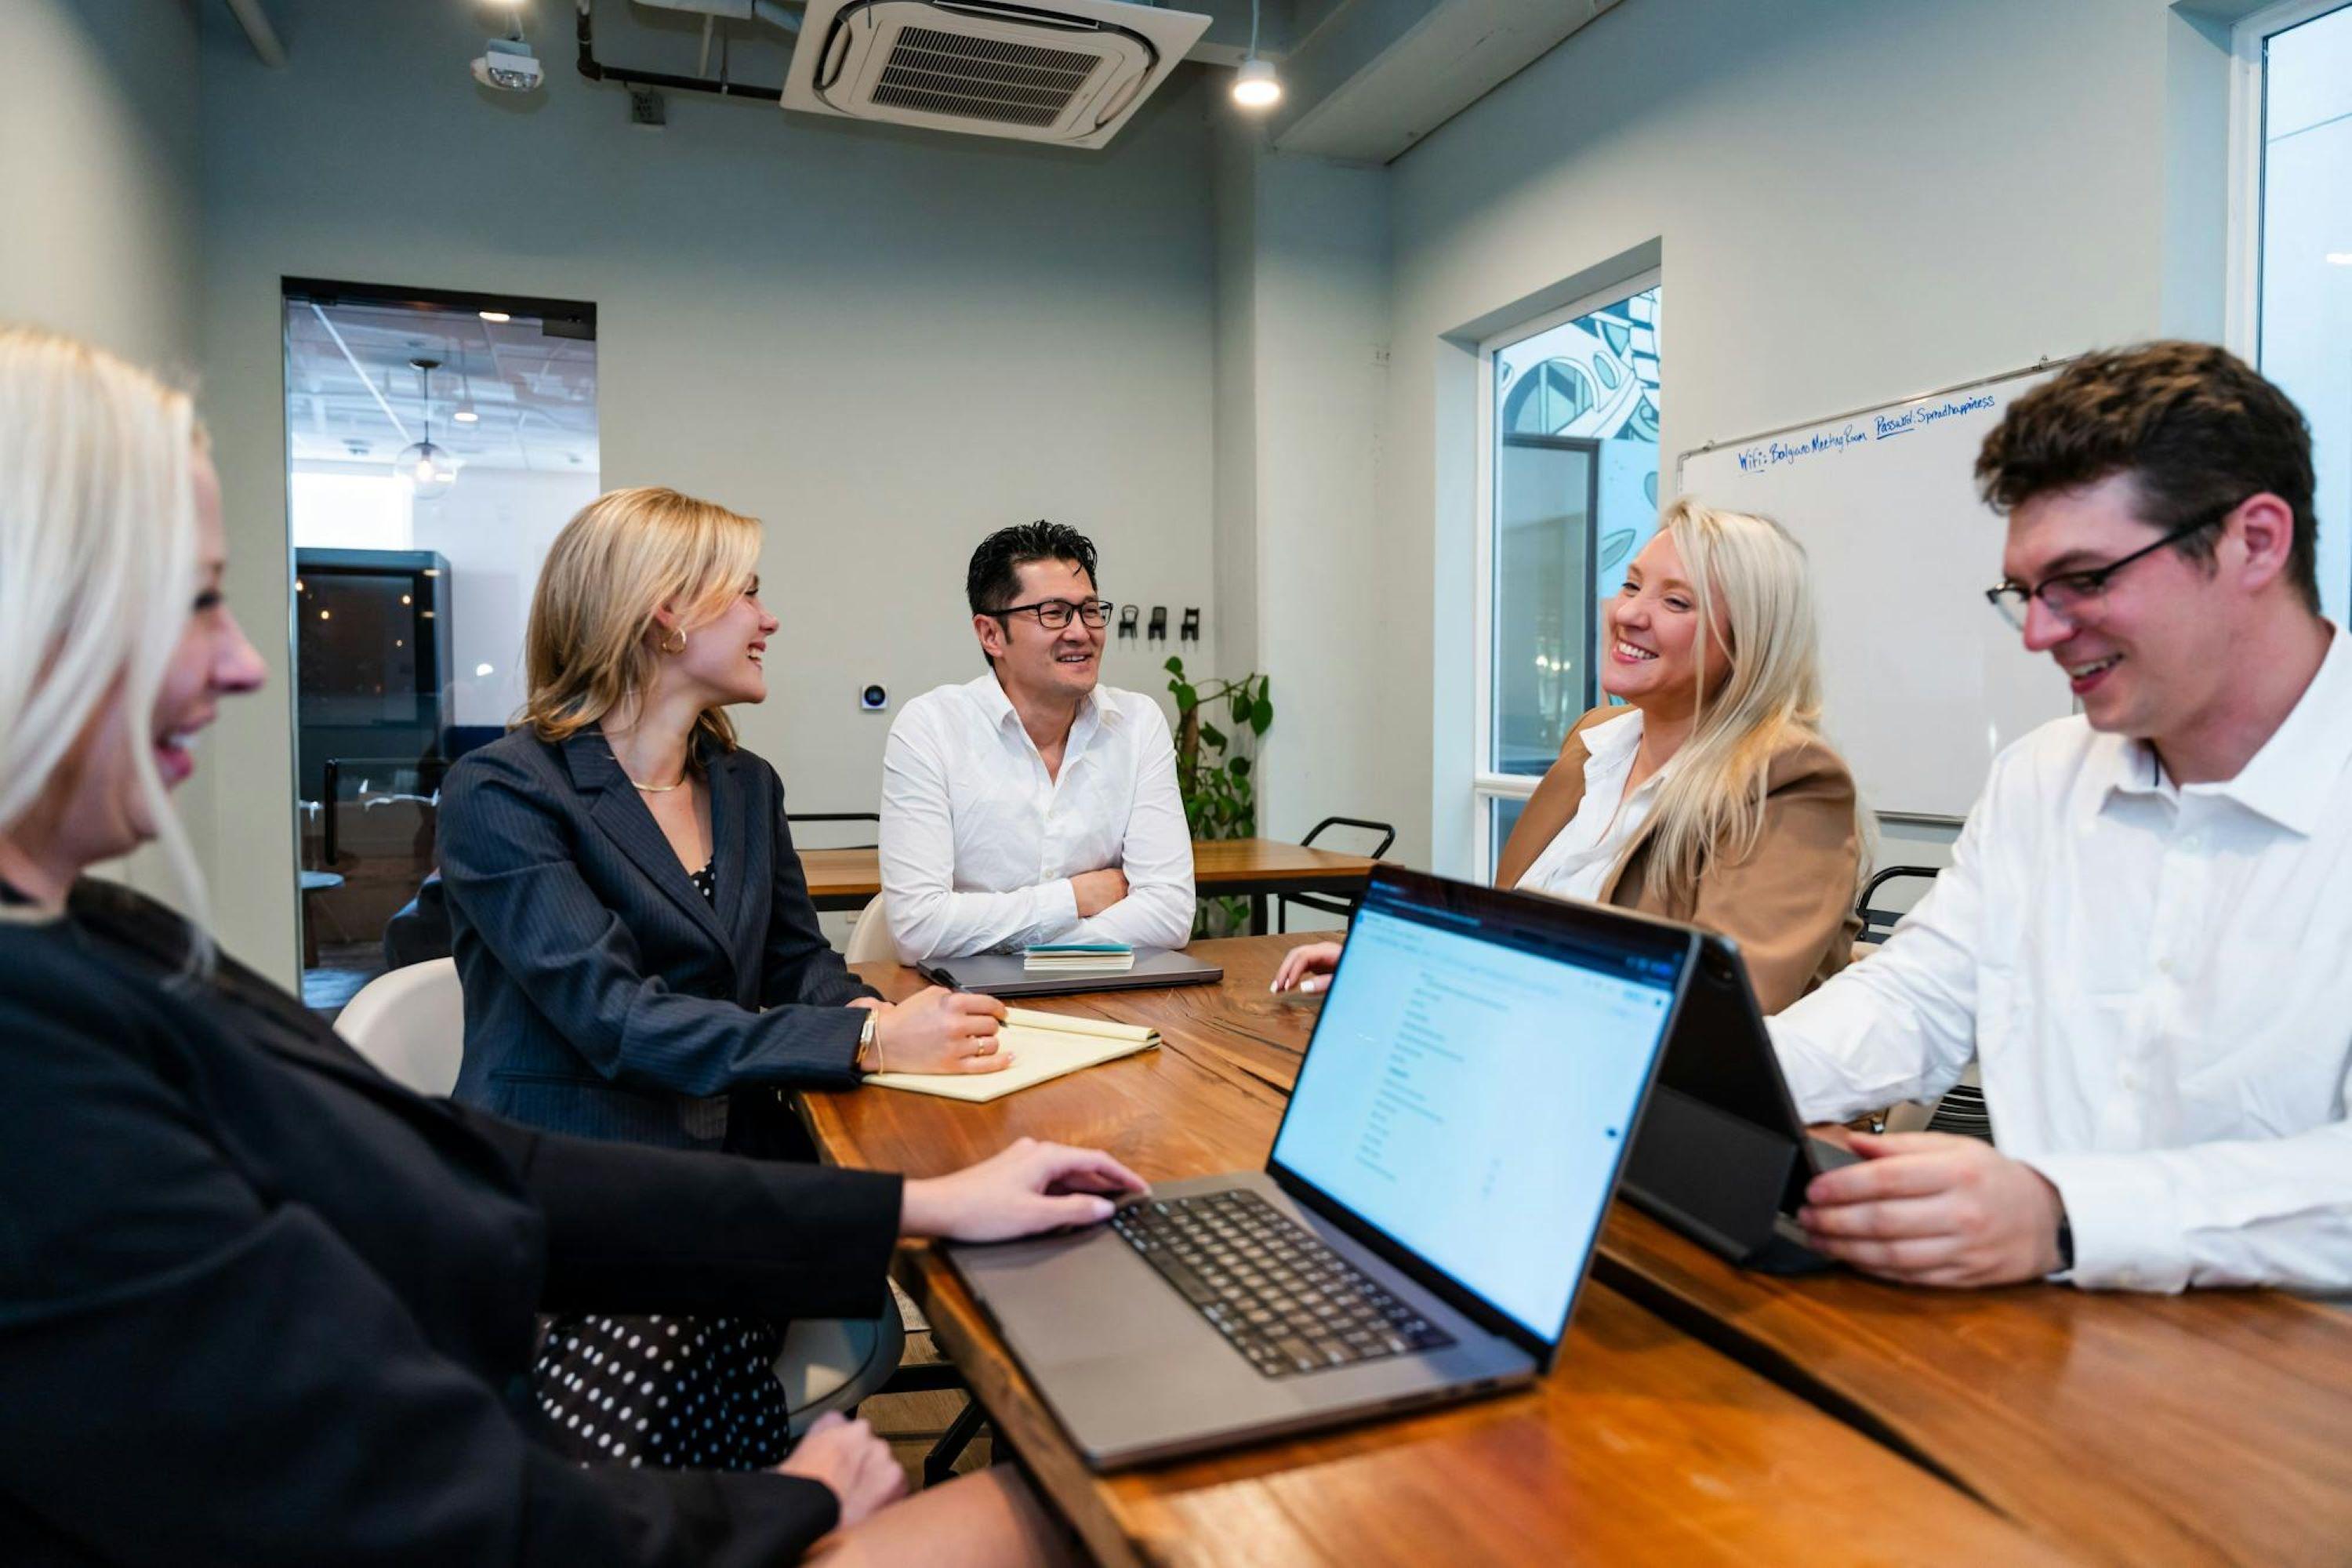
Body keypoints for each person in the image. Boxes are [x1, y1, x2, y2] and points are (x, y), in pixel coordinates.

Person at [0, 326, 1137, 1563]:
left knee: (1069, 1489)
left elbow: (476, 1171)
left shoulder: (107, 939)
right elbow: (603, 1038)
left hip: (651, 1239)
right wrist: (793, 1498)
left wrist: (917, 1196)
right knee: (1077, 1505)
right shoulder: (502, 792)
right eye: (199, 598)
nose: (245, 664)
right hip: (556, 1351)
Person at [437, 485, 1017, 1467]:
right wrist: (870, 1041)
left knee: (693, 1343)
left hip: (731, 1180)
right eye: (748, 591)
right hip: (578, 1196)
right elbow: (614, 1018)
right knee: (657, 1367)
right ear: (666, 610)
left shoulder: (747, 786)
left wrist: (886, 1010)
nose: (769, 616)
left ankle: (736, 1517)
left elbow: (796, 963)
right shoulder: (503, 792)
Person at [1775, 341, 2352, 1294]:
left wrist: (2062, 1211)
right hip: (2046, 1350)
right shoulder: (2042, 777)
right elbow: (1915, 998)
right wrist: (1720, 1072)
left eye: (2084, 579)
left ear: (2256, 539)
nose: (2041, 633)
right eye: (2027, 592)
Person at [1275, 499, 1865, 1013]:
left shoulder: (1788, 778)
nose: (1629, 613)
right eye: (1632, 586)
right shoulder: (1598, 738)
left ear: (1749, 642)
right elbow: (1513, 929)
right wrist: (1399, 963)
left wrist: (1446, 978)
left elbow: (1717, 1010)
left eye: (1677, 602)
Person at [877, 521, 1194, 961]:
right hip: (967, 1007)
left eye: (1089, 610)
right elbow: (920, 929)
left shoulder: (1138, 724)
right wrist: (1075, 898)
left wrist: (1036, 952)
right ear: (991, 635)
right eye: (1053, 613)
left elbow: (1169, 914)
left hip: (1107, 995)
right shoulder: (931, 728)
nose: (1081, 632)